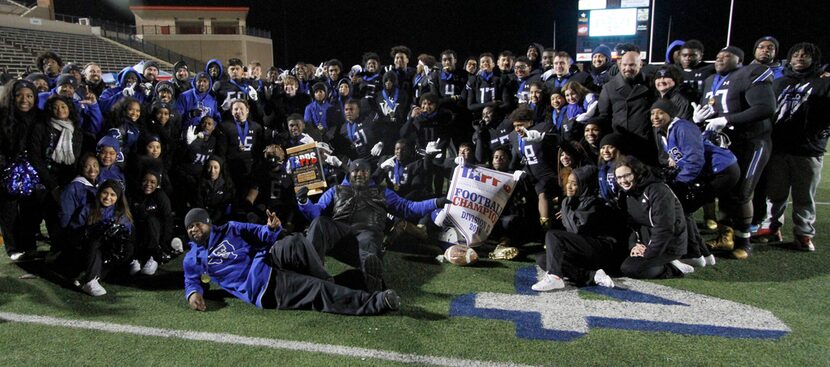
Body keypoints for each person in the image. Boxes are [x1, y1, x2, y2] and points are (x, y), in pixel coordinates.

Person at [182, 207, 400, 315]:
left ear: (208, 223)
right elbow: (192, 281)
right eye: (190, 227)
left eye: (197, 224)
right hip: (262, 286)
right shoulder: (193, 259)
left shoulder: (231, 228)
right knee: (316, 289)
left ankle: (337, 283)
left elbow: (262, 234)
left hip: (268, 258)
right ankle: (375, 301)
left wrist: (271, 228)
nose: (194, 229)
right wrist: (193, 294)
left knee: (296, 241)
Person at [298, 159, 445, 292]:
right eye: (355, 170)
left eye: (364, 171)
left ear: (369, 173)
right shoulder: (335, 190)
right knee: (319, 223)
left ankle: (371, 277)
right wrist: (304, 202)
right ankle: (312, 275)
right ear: (349, 173)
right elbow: (316, 213)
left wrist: (436, 202)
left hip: (367, 243)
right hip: (340, 238)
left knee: (369, 235)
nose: (359, 174)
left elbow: (408, 207)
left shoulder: (383, 192)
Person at [696, 46, 776, 259]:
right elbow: (713, 109)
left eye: (727, 56)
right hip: (724, 144)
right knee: (724, 188)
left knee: (742, 192)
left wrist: (728, 119)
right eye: (718, 55)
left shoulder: (751, 73)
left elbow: (765, 107)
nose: (720, 58)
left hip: (750, 142)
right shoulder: (710, 80)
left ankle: (744, 242)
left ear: (740, 60)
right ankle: (725, 237)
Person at [757, 42, 830, 252]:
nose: (799, 58)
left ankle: (803, 233)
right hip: (778, 147)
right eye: (796, 55)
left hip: (807, 150)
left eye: (805, 56)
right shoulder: (778, 83)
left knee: (804, 196)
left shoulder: (823, 83)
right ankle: (770, 228)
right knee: (775, 193)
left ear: (813, 60)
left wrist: (823, 133)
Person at [650, 99, 739, 266]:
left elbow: (695, 160)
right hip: (717, 171)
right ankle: (703, 254)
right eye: (652, 113)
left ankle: (694, 253)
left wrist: (680, 182)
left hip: (722, 170)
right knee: (684, 207)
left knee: (682, 207)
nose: (655, 117)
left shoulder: (681, 127)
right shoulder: (668, 130)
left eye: (660, 113)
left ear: (670, 114)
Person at [532, 165, 628, 291]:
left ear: (585, 185)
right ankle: (592, 276)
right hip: (584, 251)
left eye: (574, 184)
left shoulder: (595, 205)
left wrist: (570, 211)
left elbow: (579, 231)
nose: (569, 187)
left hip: (602, 250)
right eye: (569, 183)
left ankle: (554, 277)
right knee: (543, 259)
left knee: (553, 235)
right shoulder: (567, 202)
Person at [615, 156, 695, 279]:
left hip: (669, 245)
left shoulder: (658, 190)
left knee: (631, 268)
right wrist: (635, 245)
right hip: (647, 241)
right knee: (614, 260)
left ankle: (672, 268)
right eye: (619, 177)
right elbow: (632, 224)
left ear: (637, 173)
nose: (623, 181)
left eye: (627, 175)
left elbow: (665, 228)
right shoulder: (628, 193)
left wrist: (648, 253)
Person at [0, 79, 40, 261]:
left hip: (33, 171)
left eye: (30, 96)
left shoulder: (39, 116)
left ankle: (29, 245)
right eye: (19, 96)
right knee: (9, 211)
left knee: (31, 210)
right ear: (11, 97)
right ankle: (13, 248)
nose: (25, 100)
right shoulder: (2, 116)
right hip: (6, 170)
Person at [73, 179, 135, 296]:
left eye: (113, 195)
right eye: (105, 193)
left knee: (127, 248)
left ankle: (92, 276)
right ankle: (90, 280)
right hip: (87, 250)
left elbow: (127, 236)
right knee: (98, 238)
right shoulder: (87, 209)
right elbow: (75, 231)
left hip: (108, 254)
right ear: (99, 193)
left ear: (118, 198)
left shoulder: (121, 214)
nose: (108, 197)